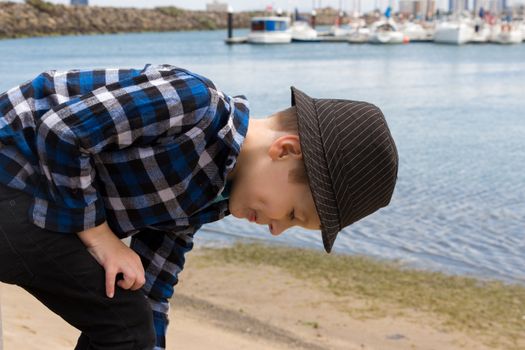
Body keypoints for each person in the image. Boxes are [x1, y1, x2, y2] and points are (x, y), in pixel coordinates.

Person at [0, 64, 398, 349]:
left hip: (40, 207)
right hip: (12, 169)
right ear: (285, 150)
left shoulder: (210, 200)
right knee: (126, 322)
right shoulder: (193, 103)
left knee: (130, 319)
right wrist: (100, 236)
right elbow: (62, 131)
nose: (277, 229)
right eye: (293, 214)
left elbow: (151, 291)